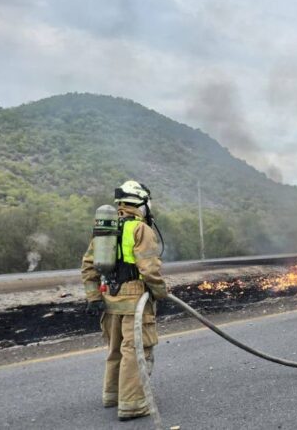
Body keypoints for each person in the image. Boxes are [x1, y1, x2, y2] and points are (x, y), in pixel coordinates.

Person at [81, 180, 169, 422]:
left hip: (109, 298)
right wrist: (161, 292)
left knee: (115, 348)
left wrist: (93, 296)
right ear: (141, 203)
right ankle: (132, 404)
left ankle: (113, 395)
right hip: (134, 299)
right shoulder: (141, 230)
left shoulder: (105, 229)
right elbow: (149, 269)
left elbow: (88, 265)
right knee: (135, 350)